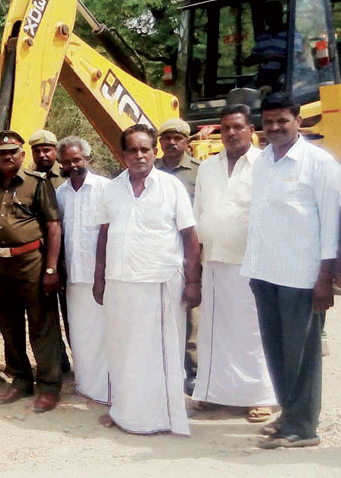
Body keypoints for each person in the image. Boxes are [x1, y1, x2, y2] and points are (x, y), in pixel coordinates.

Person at [242, 94, 339, 449]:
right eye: (268, 122)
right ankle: (289, 413)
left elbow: (329, 224)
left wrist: (325, 278)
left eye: (282, 120)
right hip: (265, 273)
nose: (274, 128)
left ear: (298, 119)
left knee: (302, 353)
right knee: (277, 351)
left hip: (301, 277)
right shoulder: (263, 161)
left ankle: (303, 428)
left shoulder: (319, 163)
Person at [93, 124, 201, 436]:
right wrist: (99, 278)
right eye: (132, 150)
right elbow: (104, 236)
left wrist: (194, 281)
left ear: (154, 152)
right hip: (120, 281)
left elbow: (190, 237)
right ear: (122, 153)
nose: (139, 155)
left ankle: (162, 417)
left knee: (160, 353)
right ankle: (125, 411)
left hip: (160, 281)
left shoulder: (171, 187)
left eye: (145, 149)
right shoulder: (111, 189)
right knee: (123, 350)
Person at [191, 105, 276, 422]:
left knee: (253, 332)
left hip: (251, 263)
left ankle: (260, 396)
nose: (230, 133)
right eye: (225, 128)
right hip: (213, 260)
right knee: (215, 330)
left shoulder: (265, 164)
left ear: (251, 130)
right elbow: (199, 214)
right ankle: (216, 393)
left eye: (237, 127)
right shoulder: (207, 167)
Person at [0, 130, 63, 412]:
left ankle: (49, 385)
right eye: (3, 153)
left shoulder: (36, 184)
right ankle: (21, 380)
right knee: (10, 325)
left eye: (13, 152)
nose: (8, 157)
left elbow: (53, 226)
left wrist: (51, 268)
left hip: (32, 263)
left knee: (42, 324)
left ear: (22, 155)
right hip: (1, 266)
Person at [55, 136, 111, 404]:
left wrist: (103, 274)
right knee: (79, 332)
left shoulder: (105, 188)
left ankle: (108, 388)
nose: (73, 165)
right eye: (67, 161)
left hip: (101, 276)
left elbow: (110, 231)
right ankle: (86, 384)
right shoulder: (60, 193)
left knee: (104, 332)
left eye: (77, 159)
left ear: (87, 158)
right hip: (74, 276)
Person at [154, 118, 200, 394]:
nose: (172, 143)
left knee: (192, 315)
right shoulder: (150, 169)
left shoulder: (200, 172)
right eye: (166, 138)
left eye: (177, 138)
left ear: (186, 142)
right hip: (159, 254)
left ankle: (193, 372)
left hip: (190, 252)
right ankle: (163, 370)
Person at [28, 130, 70, 373]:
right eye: (37, 150)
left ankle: (84, 364)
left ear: (55, 151)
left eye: (47, 150)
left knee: (71, 314)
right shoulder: (27, 180)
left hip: (66, 259)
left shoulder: (66, 178)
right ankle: (58, 362)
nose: (42, 154)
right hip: (36, 259)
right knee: (46, 316)